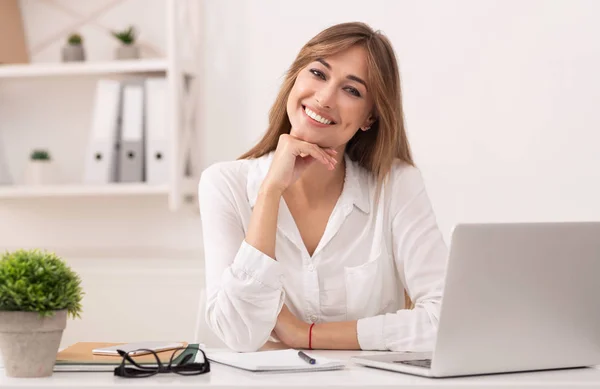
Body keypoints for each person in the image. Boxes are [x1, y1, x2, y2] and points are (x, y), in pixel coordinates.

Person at [199, 22, 448, 353]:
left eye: (352, 90)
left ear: (369, 118)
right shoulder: (224, 184)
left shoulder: (396, 185)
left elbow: (445, 320)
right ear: (295, 79)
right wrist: (270, 192)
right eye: (318, 73)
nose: (325, 97)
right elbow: (238, 334)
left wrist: (306, 335)